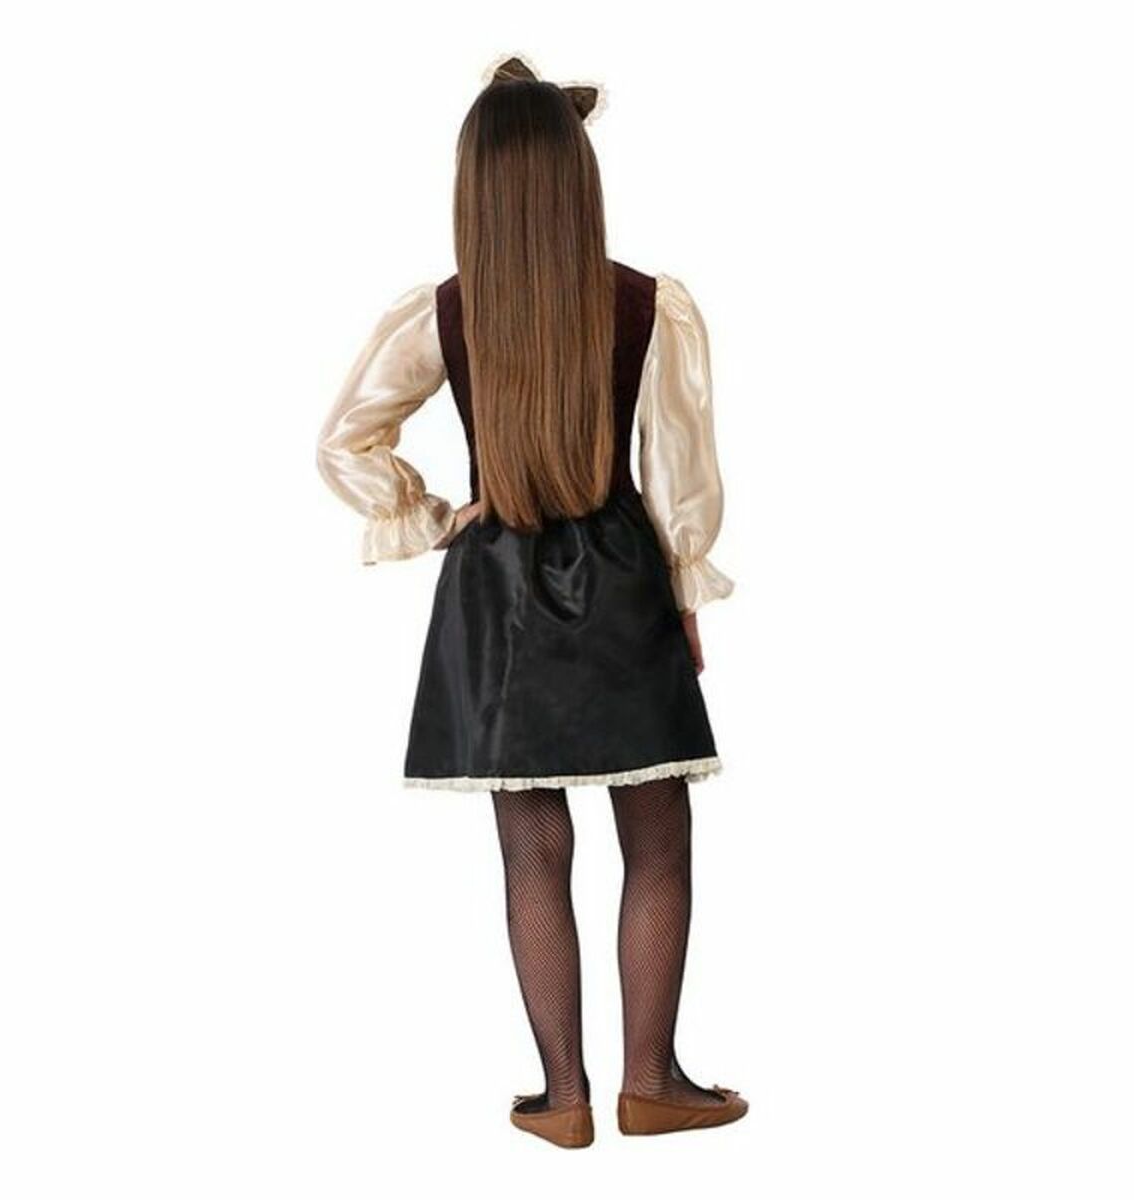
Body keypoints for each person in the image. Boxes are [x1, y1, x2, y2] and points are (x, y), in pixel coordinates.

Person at [316, 53, 747, 1149]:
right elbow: (680, 478)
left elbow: (345, 440)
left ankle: (563, 1099)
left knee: (532, 850)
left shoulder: (442, 314)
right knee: (658, 840)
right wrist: (684, 590)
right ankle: (652, 1082)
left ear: (477, 188)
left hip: (496, 593)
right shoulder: (649, 306)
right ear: (576, 181)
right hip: (621, 584)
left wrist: (434, 516)